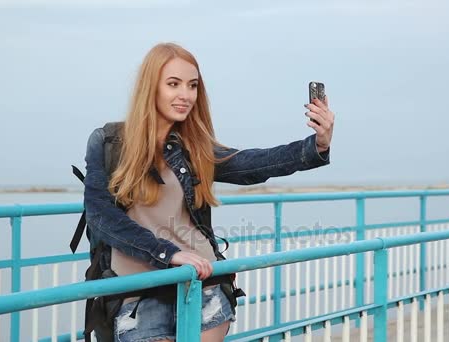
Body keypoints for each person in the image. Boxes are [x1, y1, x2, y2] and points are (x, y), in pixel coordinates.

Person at [83, 42, 335, 342]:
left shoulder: (193, 148)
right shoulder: (109, 142)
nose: (185, 95)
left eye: (192, 86)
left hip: (202, 285)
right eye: (173, 84)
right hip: (137, 295)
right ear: (151, 87)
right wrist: (167, 254)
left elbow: (252, 163)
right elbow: (101, 216)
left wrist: (317, 145)